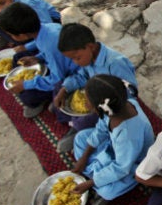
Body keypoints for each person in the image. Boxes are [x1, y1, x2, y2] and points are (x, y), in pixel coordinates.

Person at [69, 74, 154, 205]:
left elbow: (122, 167)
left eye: (88, 101)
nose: (85, 104)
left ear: (102, 107)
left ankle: (97, 181)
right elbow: (101, 130)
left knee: (107, 191)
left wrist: (90, 183)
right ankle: (95, 172)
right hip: (115, 146)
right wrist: (84, 157)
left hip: (132, 162)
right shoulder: (114, 110)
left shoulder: (128, 134)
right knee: (80, 138)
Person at [52, 23, 138, 153]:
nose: (76, 62)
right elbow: (82, 76)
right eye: (72, 59)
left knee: (86, 120)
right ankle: (75, 122)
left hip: (112, 105)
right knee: (59, 86)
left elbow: (130, 92)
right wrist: (64, 90)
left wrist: (99, 103)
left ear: (90, 47)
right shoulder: (88, 59)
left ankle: (79, 128)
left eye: (77, 58)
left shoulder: (115, 63)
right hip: (93, 95)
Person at [0, 2, 78, 118]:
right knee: (17, 58)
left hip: (71, 75)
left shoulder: (50, 44)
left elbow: (57, 79)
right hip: (57, 64)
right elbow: (50, 55)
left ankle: (46, 100)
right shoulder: (47, 28)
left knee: (28, 97)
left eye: (11, 34)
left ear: (21, 35)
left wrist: (26, 84)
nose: (11, 37)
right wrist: (37, 58)